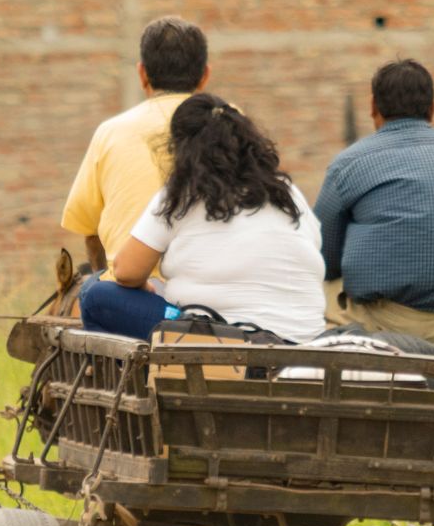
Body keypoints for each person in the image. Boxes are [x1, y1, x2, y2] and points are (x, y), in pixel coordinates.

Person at [80, 93, 327, 342]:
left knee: (94, 293)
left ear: (181, 148)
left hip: (218, 336)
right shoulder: (286, 191)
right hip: (304, 337)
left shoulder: (183, 192)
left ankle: (145, 377)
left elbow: (125, 271)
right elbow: (314, 249)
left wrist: (142, 286)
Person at [313, 59, 434, 356]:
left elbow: (323, 254)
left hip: (387, 329)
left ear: (373, 107)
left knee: (327, 282)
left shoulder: (350, 163)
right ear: (433, 108)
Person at [62, 16, 210, 282]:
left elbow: (89, 228)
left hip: (136, 293)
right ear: (205, 76)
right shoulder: (233, 127)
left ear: (142, 74)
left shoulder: (111, 132)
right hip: (217, 296)